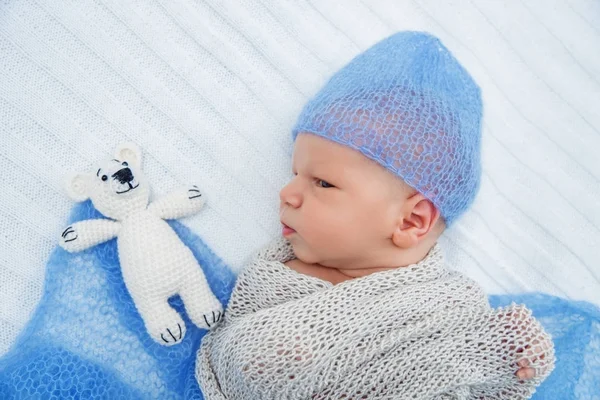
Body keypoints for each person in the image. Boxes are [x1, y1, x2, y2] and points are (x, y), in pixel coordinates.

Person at [196, 31, 555, 399]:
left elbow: (467, 386)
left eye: (322, 183)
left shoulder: (453, 308)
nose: (286, 193)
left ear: (411, 221)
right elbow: (236, 358)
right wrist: (284, 356)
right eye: (294, 174)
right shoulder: (275, 275)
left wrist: (511, 361)